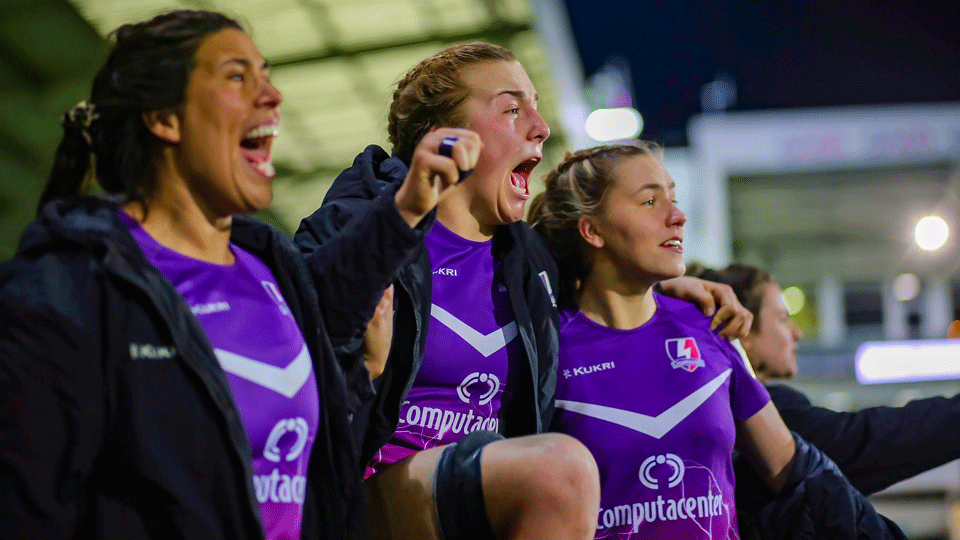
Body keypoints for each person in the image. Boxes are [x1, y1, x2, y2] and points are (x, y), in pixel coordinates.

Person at [0, 10, 433, 539]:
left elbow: (305, 448)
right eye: (236, 76)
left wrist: (362, 374)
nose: (272, 95)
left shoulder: (270, 263)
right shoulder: (67, 290)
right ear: (164, 116)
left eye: (267, 75)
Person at [528, 143, 905, 539]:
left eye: (673, 198)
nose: (677, 216)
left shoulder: (707, 326)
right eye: (650, 201)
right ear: (592, 230)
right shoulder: (546, 349)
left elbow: (796, 474)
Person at [691, 262, 960, 496]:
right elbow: (864, 442)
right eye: (783, 318)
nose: (797, 334)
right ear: (742, 331)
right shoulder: (768, 416)